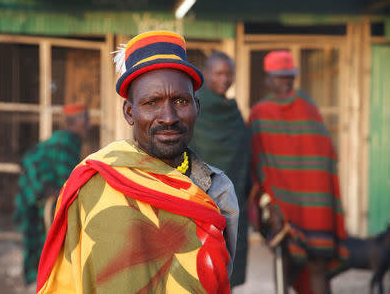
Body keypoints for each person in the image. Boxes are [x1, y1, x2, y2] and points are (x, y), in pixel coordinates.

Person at [35, 31, 239, 294]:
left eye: (180, 101)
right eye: (151, 102)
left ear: (197, 108)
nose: (168, 117)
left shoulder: (218, 190)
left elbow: (219, 280)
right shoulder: (91, 185)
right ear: (130, 112)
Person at [248, 50, 349, 294]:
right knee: (299, 264)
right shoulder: (266, 113)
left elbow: (326, 157)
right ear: (269, 79)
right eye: (281, 76)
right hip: (295, 207)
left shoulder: (300, 109)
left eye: (288, 76)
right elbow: (257, 160)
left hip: (303, 208)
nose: (285, 81)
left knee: (306, 265)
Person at [190, 51, 251, 287]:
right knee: (201, 270)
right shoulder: (195, 108)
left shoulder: (233, 111)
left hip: (235, 201)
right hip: (202, 202)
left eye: (229, 74)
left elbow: (244, 153)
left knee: (228, 272)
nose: (225, 79)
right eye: (219, 73)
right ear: (207, 74)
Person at [14, 104, 89, 286]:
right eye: (86, 120)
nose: (89, 125)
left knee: (41, 244)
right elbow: (68, 182)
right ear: (78, 122)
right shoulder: (67, 142)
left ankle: (40, 282)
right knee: (45, 244)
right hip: (38, 198)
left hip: (37, 197)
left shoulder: (64, 139)